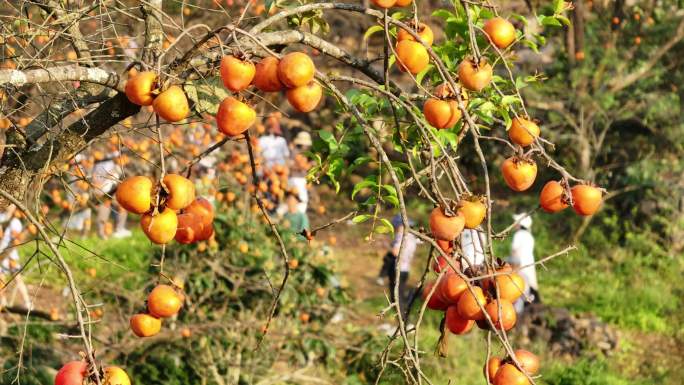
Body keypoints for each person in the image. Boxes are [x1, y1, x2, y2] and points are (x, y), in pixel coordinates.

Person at [386, 214, 420, 322]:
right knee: (401, 294)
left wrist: (388, 247)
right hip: (406, 270)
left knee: (396, 297)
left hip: (398, 270)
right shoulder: (412, 237)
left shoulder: (401, 236)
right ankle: (405, 319)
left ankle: (403, 322)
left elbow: (395, 252)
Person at [0, 204, 32, 309]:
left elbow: (17, 238)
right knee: (1, 279)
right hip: (1, 253)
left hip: (10, 254)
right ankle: (3, 303)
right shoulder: (2, 218)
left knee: (17, 278)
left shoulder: (15, 222)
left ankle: (27, 302)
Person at [509, 213, 540, 314]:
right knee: (527, 290)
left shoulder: (518, 235)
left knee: (518, 289)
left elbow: (514, 252)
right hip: (529, 266)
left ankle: (518, 314)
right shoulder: (529, 236)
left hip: (520, 266)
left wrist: (511, 267)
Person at [288, 131, 312, 213]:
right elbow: (290, 166)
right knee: (301, 199)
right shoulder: (295, 152)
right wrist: (302, 167)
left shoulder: (304, 153)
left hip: (301, 179)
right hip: (295, 179)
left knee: (303, 200)